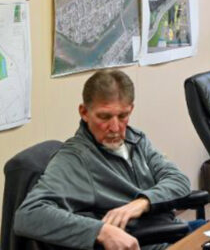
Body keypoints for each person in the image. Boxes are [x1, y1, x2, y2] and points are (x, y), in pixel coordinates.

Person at [14, 70, 192, 250]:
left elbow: (179, 181)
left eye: (122, 116)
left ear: (131, 109)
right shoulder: (76, 158)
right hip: (148, 244)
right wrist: (100, 231)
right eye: (104, 117)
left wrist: (142, 203)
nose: (115, 128)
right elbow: (28, 215)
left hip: (176, 231)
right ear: (84, 112)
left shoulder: (136, 139)